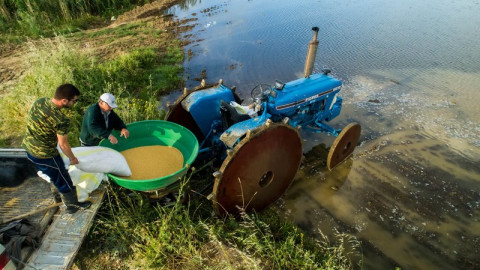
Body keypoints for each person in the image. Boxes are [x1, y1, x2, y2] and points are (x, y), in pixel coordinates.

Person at [22, 84, 91, 214]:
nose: (74, 103)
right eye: (74, 101)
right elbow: (63, 144)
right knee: (63, 178)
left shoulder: (40, 102)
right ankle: (72, 206)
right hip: (45, 155)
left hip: (28, 149)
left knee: (53, 175)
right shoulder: (61, 119)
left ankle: (57, 196)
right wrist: (73, 158)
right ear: (64, 100)